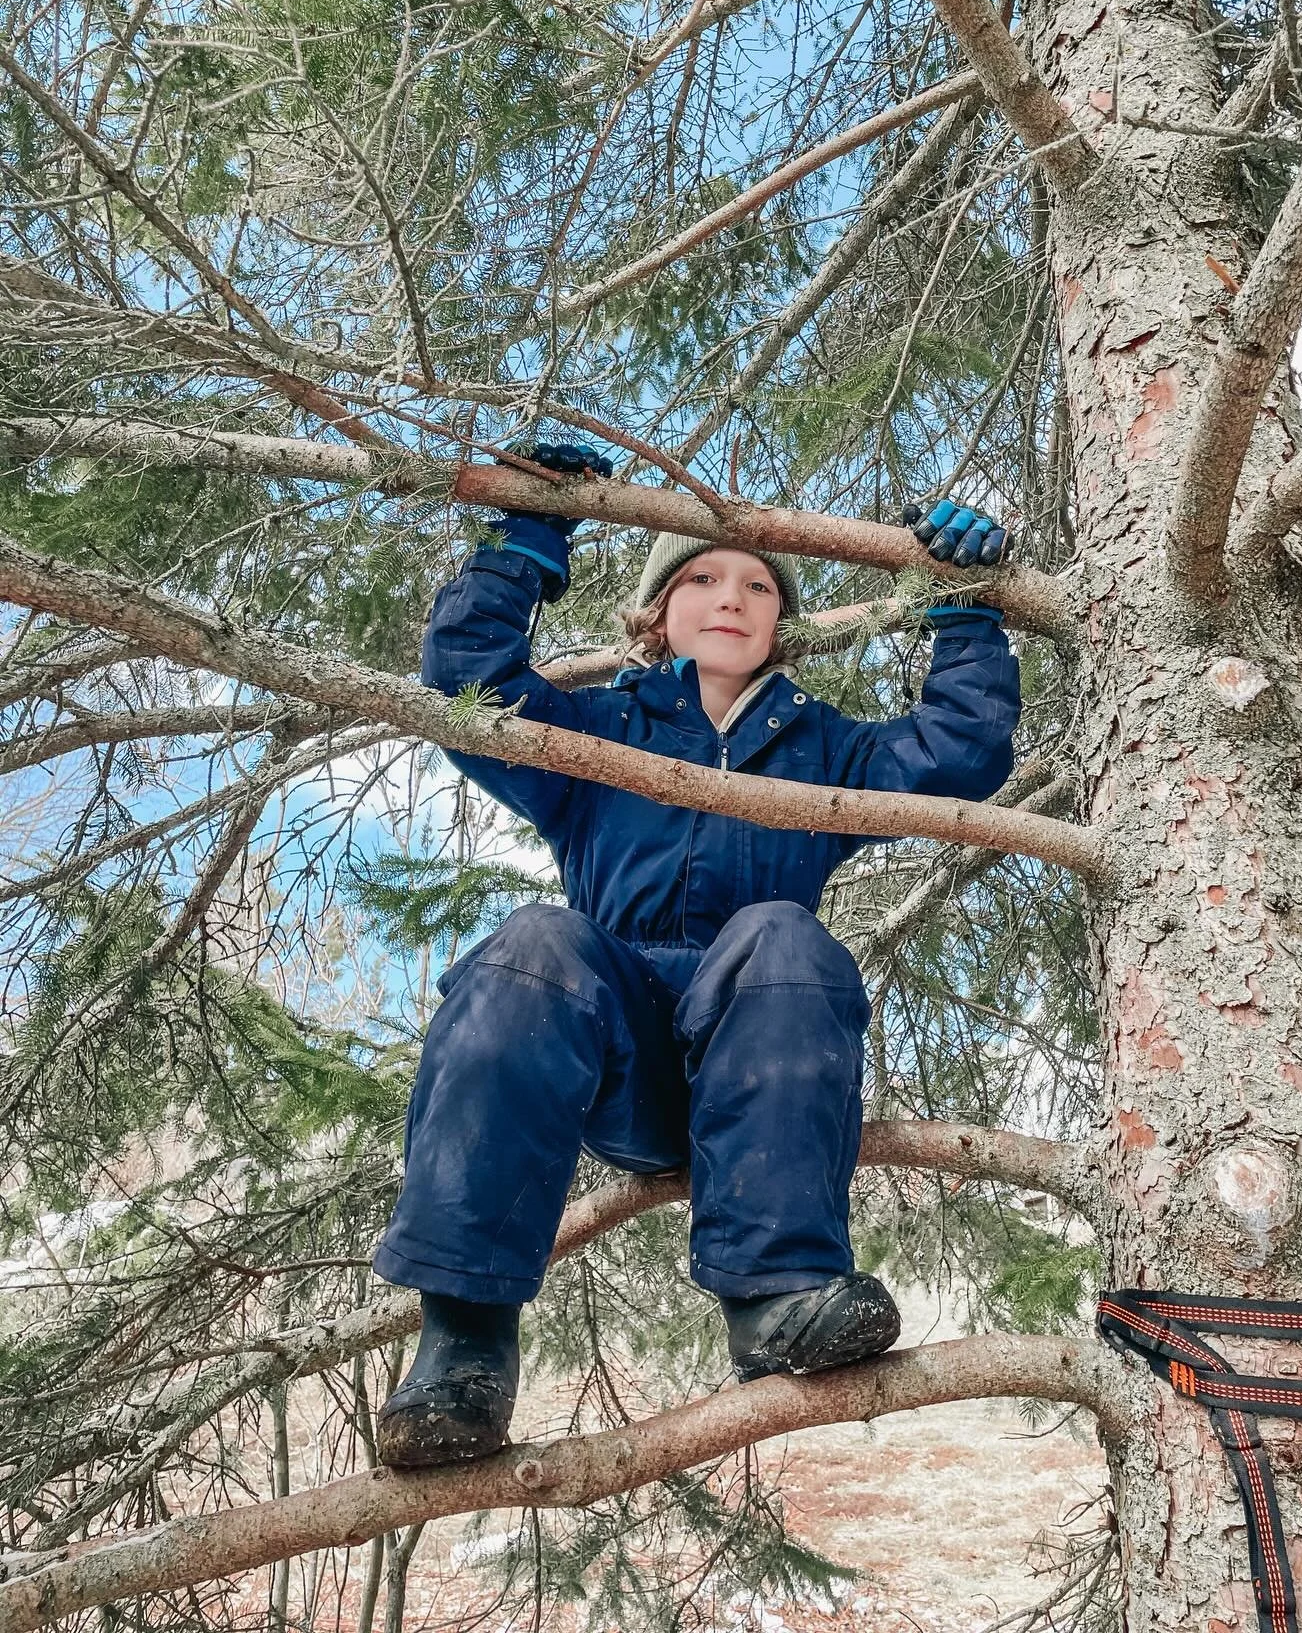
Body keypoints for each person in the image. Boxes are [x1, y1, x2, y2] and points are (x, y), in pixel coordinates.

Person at [372, 444, 1021, 1467]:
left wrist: (965, 603)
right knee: (534, 942)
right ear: (657, 613)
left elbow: (962, 750)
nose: (733, 597)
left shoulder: (826, 749)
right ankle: (462, 1348)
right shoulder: (595, 729)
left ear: (783, 621)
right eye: (703, 579)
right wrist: (528, 532)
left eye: (760, 584)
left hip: (762, 1060)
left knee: (781, 932)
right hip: (619, 1061)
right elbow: (469, 684)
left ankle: (773, 1299)